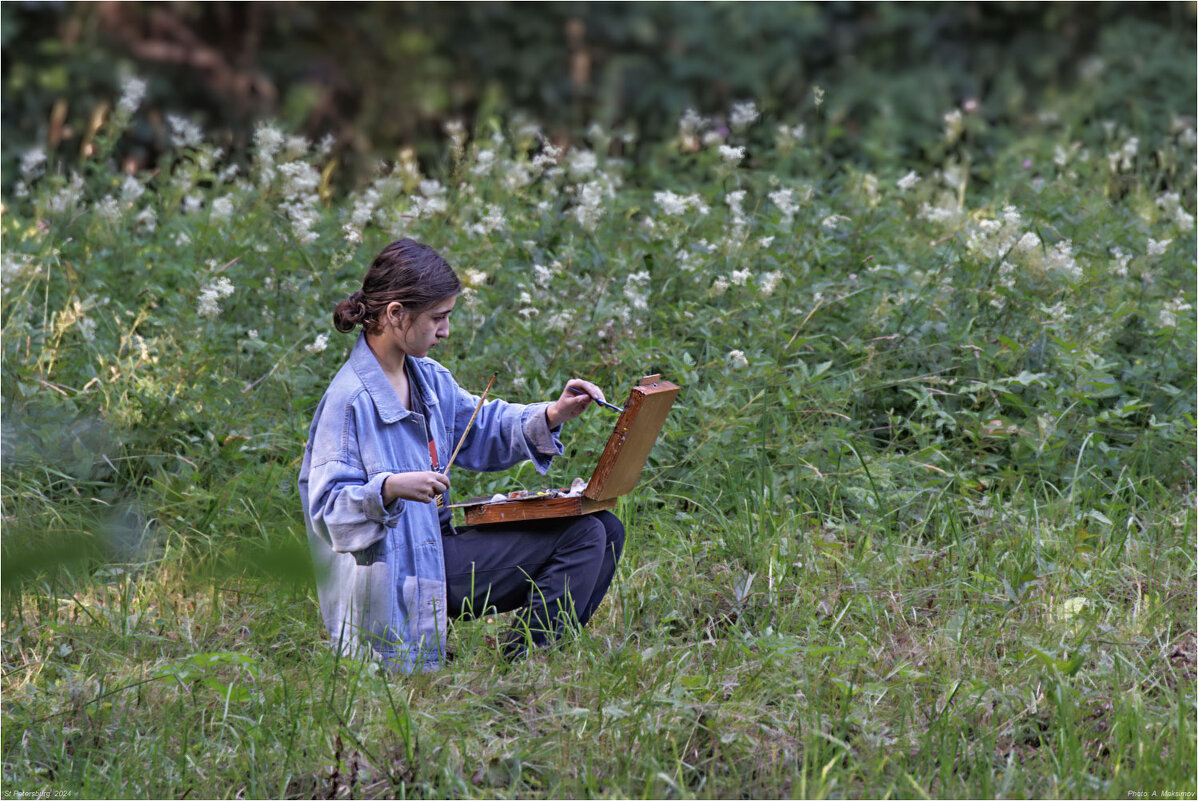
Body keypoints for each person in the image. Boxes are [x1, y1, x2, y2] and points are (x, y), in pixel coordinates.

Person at [298, 238, 625, 673]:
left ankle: (539, 657)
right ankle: (525, 668)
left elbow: (479, 427)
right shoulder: (349, 401)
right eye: (438, 318)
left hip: (438, 549)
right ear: (396, 314)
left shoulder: (427, 377)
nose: (445, 331)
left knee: (606, 527)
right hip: (398, 574)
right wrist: (390, 488)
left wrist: (553, 413)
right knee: (582, 536)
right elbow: (327, 512)